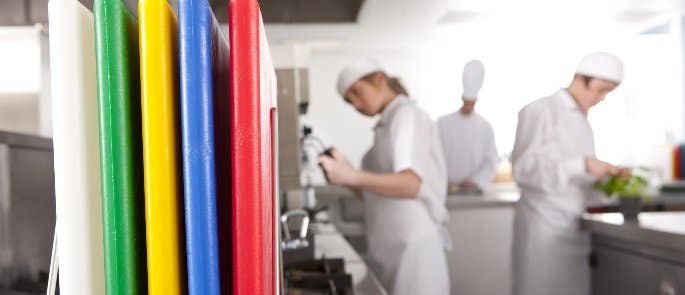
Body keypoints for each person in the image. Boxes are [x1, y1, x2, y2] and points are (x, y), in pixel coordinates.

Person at [319, 58, 450, 295]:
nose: (356, 104)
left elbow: (410, 184)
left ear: (379, 79)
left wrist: (353, 175)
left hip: (413, 250)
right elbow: (375, 193)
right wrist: (346, 175)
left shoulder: (407, 115)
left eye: (357, 92)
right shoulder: (385, 126)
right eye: (350, 101)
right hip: (393, 250)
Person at [511, 52, 626, 295]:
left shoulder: (584, 122)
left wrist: (608, 181)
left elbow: (577, 184)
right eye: (600, 89)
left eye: (607, 93)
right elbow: (523, 172)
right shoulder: (539, 110)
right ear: (581, 78)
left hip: (574, 229)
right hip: (542, 229)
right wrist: (582, 165)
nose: (601, 98)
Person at [438, 60, 498, 194]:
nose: (468, 106)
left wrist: (476, 181)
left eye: (471, 103)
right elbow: (433, 156)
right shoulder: (442, 124)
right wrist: (441, 178)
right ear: (462, 99)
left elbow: (491, 161)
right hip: (443, 190)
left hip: (473, 191)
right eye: (467, 102)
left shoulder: (485, 127)